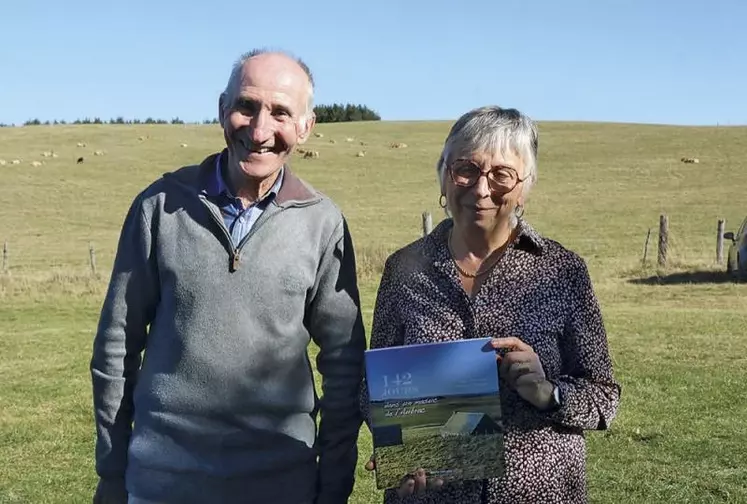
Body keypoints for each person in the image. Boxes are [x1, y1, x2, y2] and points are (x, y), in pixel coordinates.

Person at [90, 49, 367, 504]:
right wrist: (112, 472)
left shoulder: (323, 223)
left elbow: (344, 363)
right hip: (163, 483)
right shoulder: (159, 207)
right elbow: (116, 349)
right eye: (247, 107)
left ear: (306, 126)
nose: (260, 131)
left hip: (281, 485)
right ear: (222, 110)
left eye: (280, 113)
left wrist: (334, 484)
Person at [361, 106, 621, 504]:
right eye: (465, 169)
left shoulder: (562, 271)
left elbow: (604, 398)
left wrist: (547, 392)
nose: (481, 189)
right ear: (444, 176)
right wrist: (399, 440)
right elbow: (372, 386)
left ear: (525, 186)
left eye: (501, 174)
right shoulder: (404, 270)